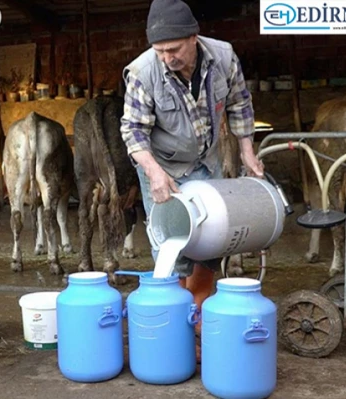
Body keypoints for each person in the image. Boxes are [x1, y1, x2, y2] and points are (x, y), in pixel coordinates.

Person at [120, 0, 264, 360]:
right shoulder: (142, 71)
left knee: (210, 241)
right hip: (161, 165)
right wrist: (153, 172)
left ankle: (199, 323)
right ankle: (172, 329)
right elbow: (133, 130)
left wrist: (247, 149)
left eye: (173, 49)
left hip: (207, 159)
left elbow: (240, 103)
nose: (167, 57)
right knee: (171, 245)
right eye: (160, 51)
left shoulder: (224, 57)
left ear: (194, 38)